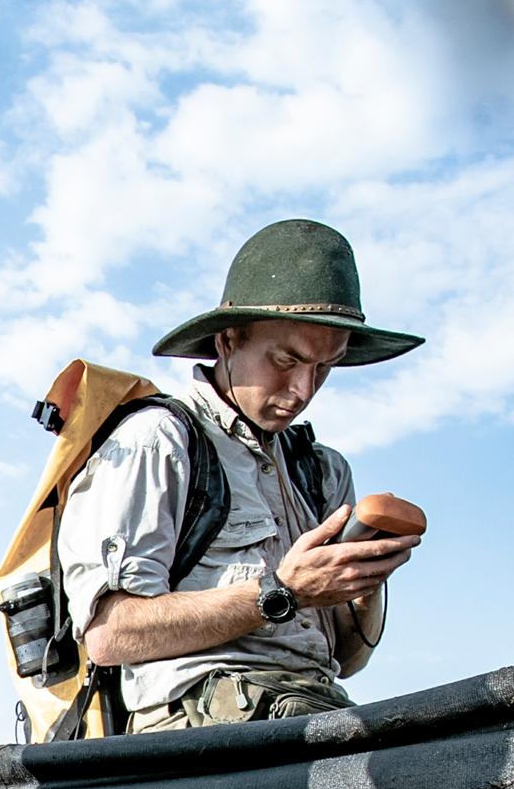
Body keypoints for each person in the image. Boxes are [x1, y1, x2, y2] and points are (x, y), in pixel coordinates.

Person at [57, 218, 425, 729]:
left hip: (316, 711)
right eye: (286, 360)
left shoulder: (322, 471)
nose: (302, 389)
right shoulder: (160, 441)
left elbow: (349, 660)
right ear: (229, 341)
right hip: (200, 736)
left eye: (325, 367)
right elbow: (110, 635)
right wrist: (283, 593)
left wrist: (363, 583)